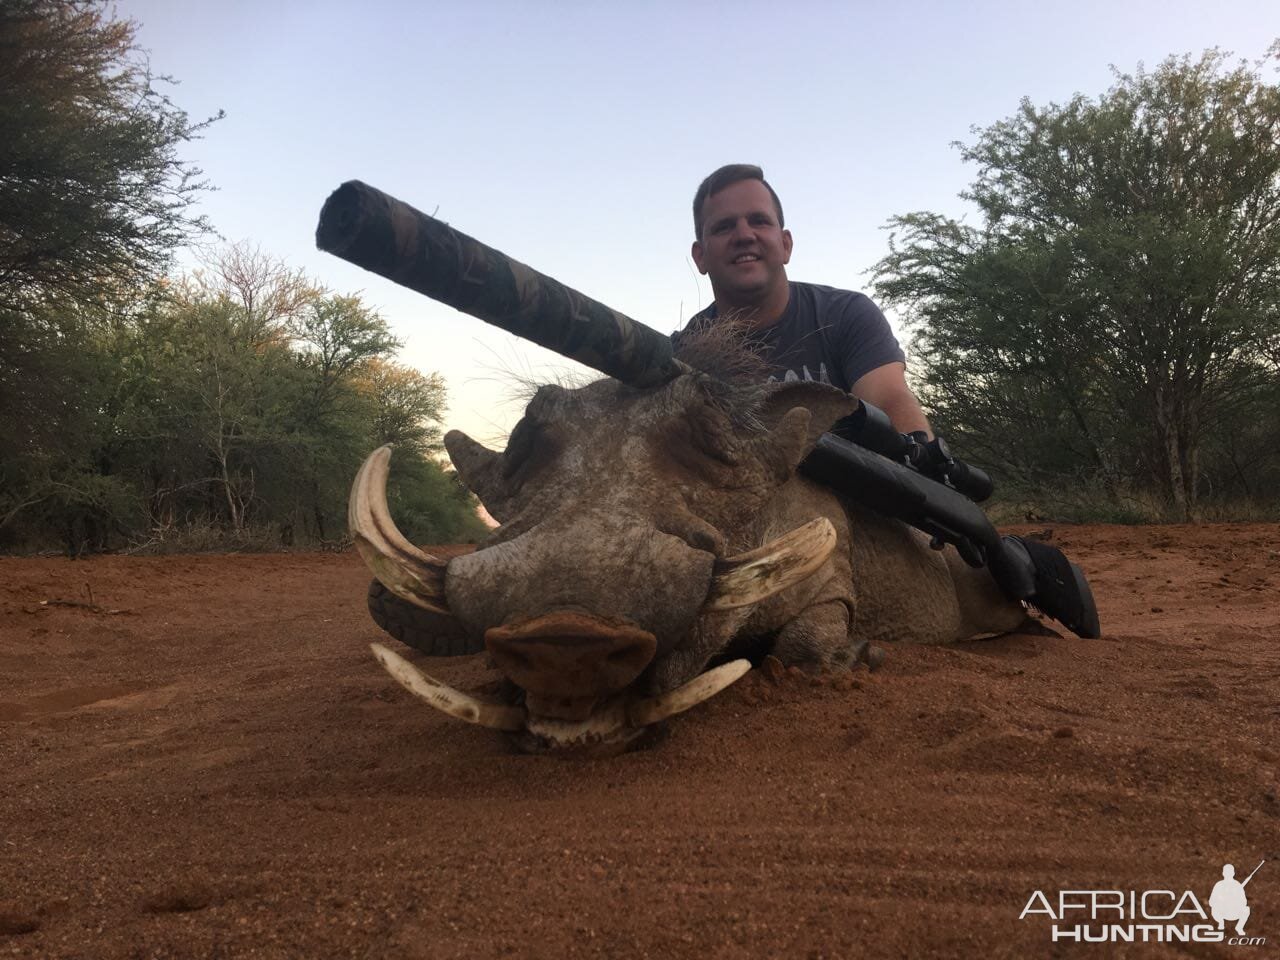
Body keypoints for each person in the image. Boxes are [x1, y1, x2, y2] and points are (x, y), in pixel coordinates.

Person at [679, 163, 1100, 639]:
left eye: (759, 221)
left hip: (864, 504)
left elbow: (889, 399)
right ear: (700, 255)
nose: (744, 235)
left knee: (970, 591)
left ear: (786, 243)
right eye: (723, 227)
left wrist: (917, 462)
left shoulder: (844, 313)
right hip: (759, 519)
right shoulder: (682, 355)